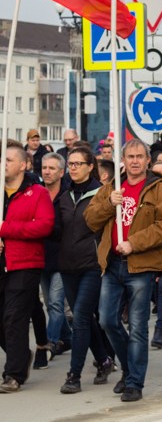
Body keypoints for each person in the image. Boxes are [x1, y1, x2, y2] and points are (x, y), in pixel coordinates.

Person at [85, 140, 162, 403]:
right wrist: (107, 204)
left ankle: (134, 382)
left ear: (148, 161)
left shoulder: (159, 190)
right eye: (130, 156)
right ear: (123, 159)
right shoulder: (112, 187)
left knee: (137, 326)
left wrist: (134, 243)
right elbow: (90, 220)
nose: (135, 161)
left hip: (141, 265)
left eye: (140, 156)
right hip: (112, 264)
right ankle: (128, 368)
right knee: (107, 320)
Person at [54, 147, 114, 393]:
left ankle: (74, 375)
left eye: (79, 163)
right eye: (71, 163)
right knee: (85, 319)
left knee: (79, 318)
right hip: (67, 266)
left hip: (92, 265)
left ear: (91, 166)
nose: (74, 167)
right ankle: (104, 360)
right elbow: (56, 230)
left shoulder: (101, 193)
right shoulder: (63, 195)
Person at [0, 144, 55, 393]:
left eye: (9, 159)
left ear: (23, 165)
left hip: (24, 264)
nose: (4, 163)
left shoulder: (37, 193)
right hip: (2, 264)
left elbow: (43, 226)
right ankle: (21, 355)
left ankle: (14, 374)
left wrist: (5, 229)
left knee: (14, 317)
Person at [39, 152, 72, 365]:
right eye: (44, 168)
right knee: (50, 304)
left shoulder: (67, 195)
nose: (47, 172)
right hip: (41, 256)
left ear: (61, 172)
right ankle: (67, 337)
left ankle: (49, 344)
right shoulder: (37, 194)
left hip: (62, 257)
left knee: (55, 303)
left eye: (52, 168)